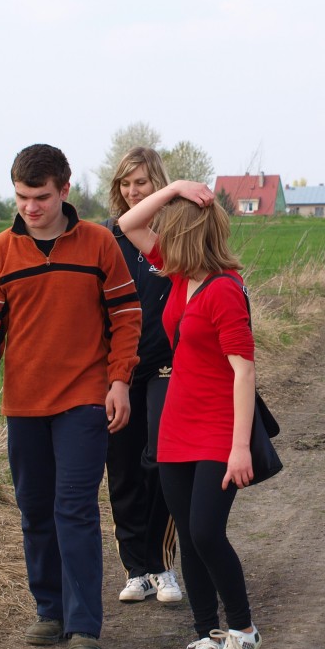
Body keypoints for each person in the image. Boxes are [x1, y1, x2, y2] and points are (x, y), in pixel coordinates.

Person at [0, 144, 141, 649]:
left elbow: (126, 315)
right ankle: (50, 610)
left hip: (85, 398)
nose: (31, 207)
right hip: (23, 405)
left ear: (64, 190)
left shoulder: (99, 244)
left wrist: (119, 380)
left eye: (41, 197)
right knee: (35, 510)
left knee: (75, 508)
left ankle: (85, 626)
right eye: (22, 197)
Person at [117, 181, 264, 649]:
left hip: (218, 428)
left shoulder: (224, 289)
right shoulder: (181, 278)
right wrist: (175, 188)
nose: (158, 239)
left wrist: (240, 448)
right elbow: (128, 224)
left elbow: (244, 371)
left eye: (169, 232)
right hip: (175, 426)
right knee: (189, 537)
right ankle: (206, 634)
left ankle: (242, 629)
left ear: (187, 237)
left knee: (206, 531)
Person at [103, 147, 182, 605]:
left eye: (142, 183)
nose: (133, 191)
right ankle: (135, 569)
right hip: (116, 370)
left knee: (161, 460)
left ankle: (162, 564)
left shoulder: (174, 235)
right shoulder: (104, 238)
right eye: (126, 183)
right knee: (123, 469)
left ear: (158, 185)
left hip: (165, 365)